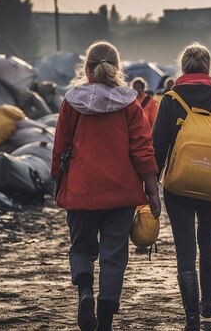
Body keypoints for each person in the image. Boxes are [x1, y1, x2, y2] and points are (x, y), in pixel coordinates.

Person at [51, 41, 160, 331]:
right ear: (118, 68)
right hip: (120, 195)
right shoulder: (130, 102)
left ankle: (85, 293)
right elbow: (142, 148)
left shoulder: (72, 101)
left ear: (87, 69)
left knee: (81, 250)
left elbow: (60, 147)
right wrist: (152, 190)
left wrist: (58, 183)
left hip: (81, 190)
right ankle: (106, 322)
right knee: (114, 258)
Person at [153, 43, 211, 330]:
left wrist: (148, 188)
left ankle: (191, 314)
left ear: (183, 67)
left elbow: (157, 148)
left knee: (185, 247)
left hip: (177, 187)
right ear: (208, 68)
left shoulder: (170, 99)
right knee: (208, 241)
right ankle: (209, 303)